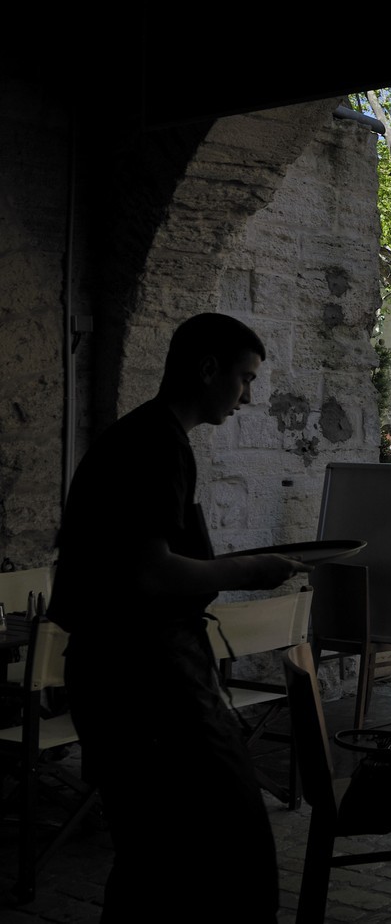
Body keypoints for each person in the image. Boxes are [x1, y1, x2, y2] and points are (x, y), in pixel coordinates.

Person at [49, 313, 304, 923]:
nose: (249, 395)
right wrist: (253, 571)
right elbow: (151, 573)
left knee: (153, 858)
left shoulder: (144, 438)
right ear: (207, 368)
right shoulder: (156, 443)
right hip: (144, 680)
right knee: (223, 842)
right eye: (243, 378)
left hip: (126, 673)